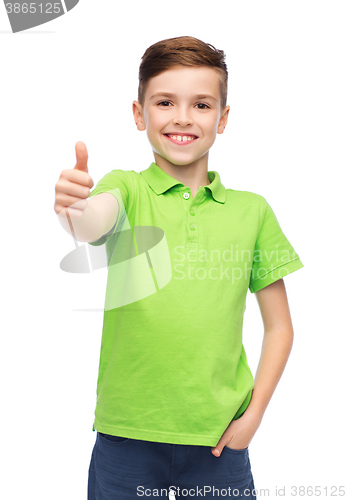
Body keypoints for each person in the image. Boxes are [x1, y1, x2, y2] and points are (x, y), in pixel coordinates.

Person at [54, 36, 304, 500]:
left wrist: (254, 417)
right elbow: (92, 221)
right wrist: (74, 210)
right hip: (126, 435)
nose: (183, 117)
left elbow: (280, 328)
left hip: (218, 442)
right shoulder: (126, 188)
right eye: (165, 102)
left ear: (223, 118)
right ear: (138, 113)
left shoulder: (253, 212)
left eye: (202, 104)